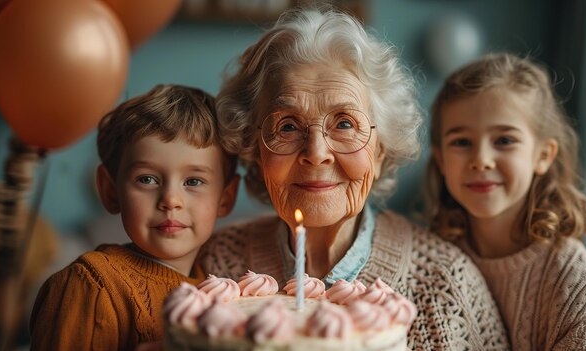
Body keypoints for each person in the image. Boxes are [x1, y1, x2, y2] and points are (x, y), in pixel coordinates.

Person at [195, 7, 509, 349]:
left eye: (344, 123)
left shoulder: (444, 284)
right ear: (255, 149)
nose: (316, 152)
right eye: (287, 126)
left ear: (380, 149)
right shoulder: (219, 264)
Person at [425, 53, 586, 350]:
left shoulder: (577, 284)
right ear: (441, 159)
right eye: (462, 142)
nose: (481, 160)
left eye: (504, 140)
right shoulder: (431, 256)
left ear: (543, 155)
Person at [29, 85, 240, 350]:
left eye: (194, 181)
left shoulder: (221, 294)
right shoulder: (91, 285)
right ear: (110, 191)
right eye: (147, 179)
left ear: (225, 198)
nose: (171, 200)